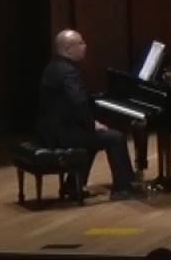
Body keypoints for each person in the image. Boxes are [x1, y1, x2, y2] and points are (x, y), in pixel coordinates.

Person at [36, 30, 142, 200]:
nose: (85, 46)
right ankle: (123, 188)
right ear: (68, 49)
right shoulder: (68, 72)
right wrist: (92, 124)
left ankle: (73, 186)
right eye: (81, 43)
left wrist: (90, 125)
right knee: (115, 138)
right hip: (61, 134)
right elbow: (78, 102)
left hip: (51, 130)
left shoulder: (55, 66)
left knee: (93, 138)